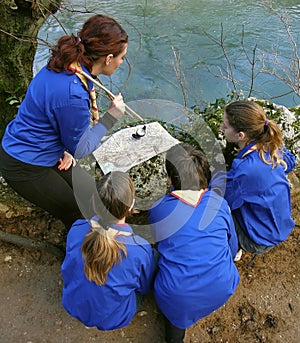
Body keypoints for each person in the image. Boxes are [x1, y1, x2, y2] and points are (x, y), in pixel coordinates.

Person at [0, 14, 128, 228]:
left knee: (94, 198)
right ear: (108, 58)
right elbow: (81, 148)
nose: (121, 62)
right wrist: (110, 118)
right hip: (24, 164)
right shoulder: (74, 94)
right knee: (80, 213)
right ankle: (78, 255)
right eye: (121, 57)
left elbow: (57, 122)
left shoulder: (68, 65)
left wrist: (66, 148)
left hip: (48, 151)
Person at [149, 143, 240, 343]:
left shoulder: (159, 209)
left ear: (170, 179)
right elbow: (232, 246)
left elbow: (158, 241)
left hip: (179, 299)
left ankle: (175, 337)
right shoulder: (219, 203)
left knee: (153, 257)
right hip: (224, 285)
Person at [61, 171, 156, 330]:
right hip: (112, 319)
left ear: (95, 203)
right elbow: (144, 287)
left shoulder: (77, 227)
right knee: (155, 257)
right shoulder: (139, 249)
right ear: (131, 206)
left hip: (73, 305)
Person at [211, 100, 296, 260]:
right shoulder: (271, 146)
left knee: (215, 210)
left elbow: (224, 197)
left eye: (226, 126)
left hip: (259, 240)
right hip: (280, 227)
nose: (222, 128)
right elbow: (290, 161)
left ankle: (233, 249)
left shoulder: (245, 169)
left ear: (241, 135)